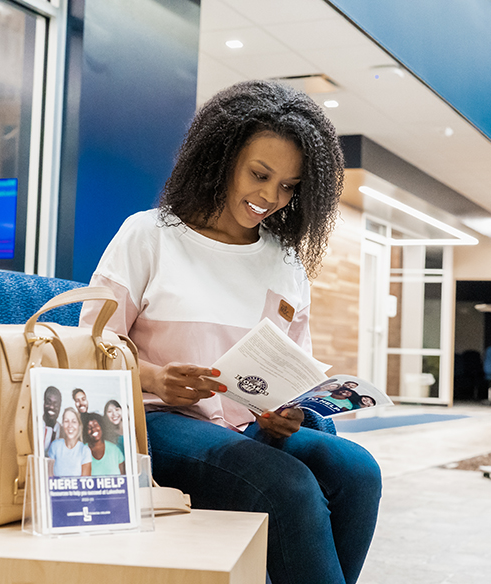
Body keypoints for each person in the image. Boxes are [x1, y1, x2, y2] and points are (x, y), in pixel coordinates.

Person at [79, 80, 381, 584]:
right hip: (153, 423)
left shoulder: (285, 262)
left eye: (288, 186)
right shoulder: (148, 235)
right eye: (259, 174)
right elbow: (87, 349)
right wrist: (153, 377)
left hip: (246, 429)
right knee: (289, 486)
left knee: (358, 472)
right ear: (221, 156)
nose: (270, 196)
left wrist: (291, 410)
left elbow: (294, 369)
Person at [47, 407, 91, 477]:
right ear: (63, 424)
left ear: (78, 425)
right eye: (66, 421)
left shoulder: (85, 450)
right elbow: (49, 477)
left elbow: (85, 484)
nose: (70, 425)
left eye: (73, 421)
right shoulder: (55, 446)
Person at [42, 386, 62, 451]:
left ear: (60, 407)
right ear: (44, 403)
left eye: (56, 405)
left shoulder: (62, 431)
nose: (52, 407)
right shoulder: (35, 426)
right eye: (48, 403)